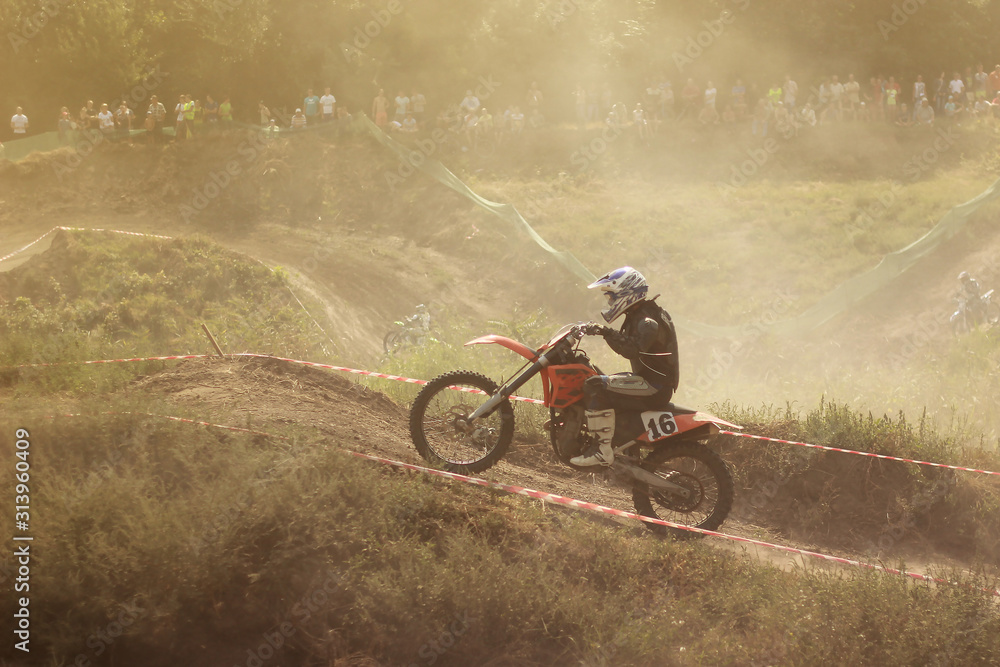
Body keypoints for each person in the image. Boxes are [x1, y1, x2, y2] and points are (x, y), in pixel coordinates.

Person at [570, 267, 679, 467]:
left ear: (627, 293)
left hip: (654, 385)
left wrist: (604, 332)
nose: (610, 302)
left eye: (612, 297)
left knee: (595, 385)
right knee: (596, 376)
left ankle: (601, 451)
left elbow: (632, 349)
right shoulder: (642, 313)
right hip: (650, 381)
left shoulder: (647, 321)